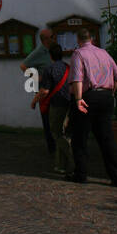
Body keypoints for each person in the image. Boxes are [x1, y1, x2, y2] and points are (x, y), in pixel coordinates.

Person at [67, 27, 117, 187]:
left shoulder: (78, 54)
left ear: (78, 40)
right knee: (107, 138)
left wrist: (78, 99)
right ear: (91, 39)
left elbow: (78, 78)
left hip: (88, 97)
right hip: (106, 96)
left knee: (80, 138)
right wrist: (111, 92)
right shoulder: (104, 53)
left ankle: (81, 174)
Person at [37, 43, 73, 175]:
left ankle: (74, 158)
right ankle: (60, 165)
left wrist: (34, 100)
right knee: (64, 133)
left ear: (50, 56)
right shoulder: (68, 67)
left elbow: (45, 91)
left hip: (57, 104)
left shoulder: (49, 69)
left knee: (57, 133)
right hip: (69, 103)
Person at [21, 27, 56, 158]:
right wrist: (36, 77)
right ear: (46, 39)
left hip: (55, 91)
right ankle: (52, 148)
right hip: (44, 92)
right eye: (52, 36)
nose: (54, 38)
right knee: (47, 121)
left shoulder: (51, 50)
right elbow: (23, 66)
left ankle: (57, 146)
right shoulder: (39, 52)